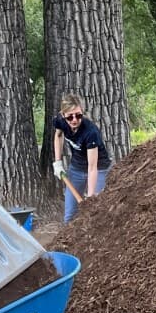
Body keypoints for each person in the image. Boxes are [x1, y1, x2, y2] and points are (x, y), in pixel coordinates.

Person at [51, 93, 112, 223]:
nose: (74, 120)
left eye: (78, 115)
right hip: (77, 168)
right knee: (69, 216)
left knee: (96, 212)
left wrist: (90, 198)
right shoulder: (60, 121)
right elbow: (58, 135)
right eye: (70, 117)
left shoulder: (90, 132)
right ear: (63, 115)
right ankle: (68, 242)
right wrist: (58, 162)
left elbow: (92, 167)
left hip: (99, 169)